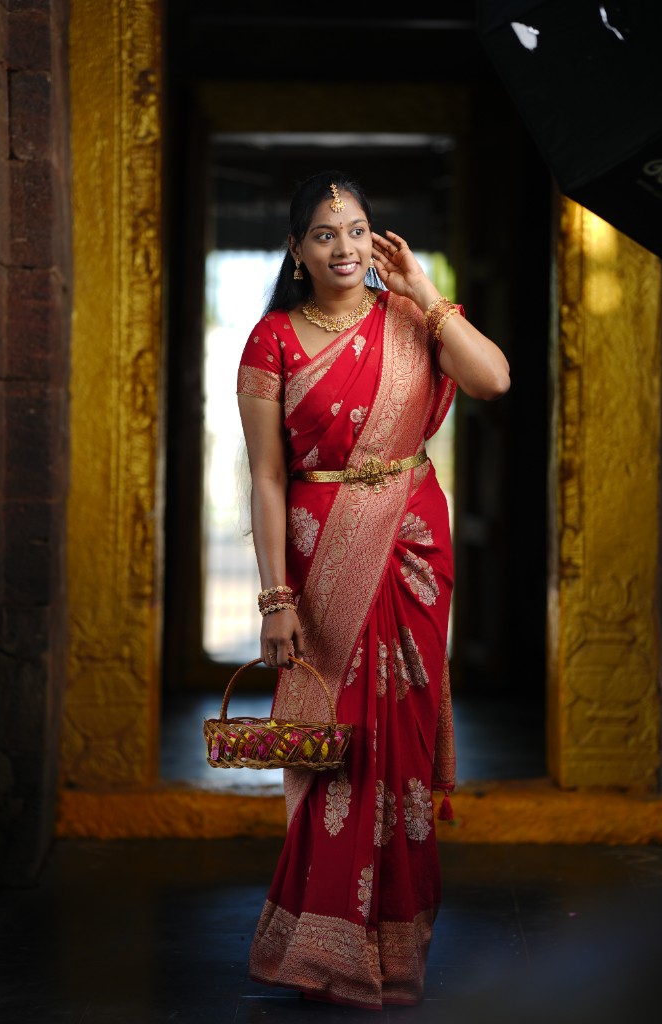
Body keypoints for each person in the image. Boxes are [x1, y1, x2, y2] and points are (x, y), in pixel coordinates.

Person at [235, 169, 510, 1009]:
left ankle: (396, 942)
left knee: (402, 736)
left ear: (375, 239)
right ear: (295, 251)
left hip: (411, 545)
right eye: (324, 234)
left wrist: (427, 295)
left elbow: (493, 379)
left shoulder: (408, 322)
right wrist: (276, 599)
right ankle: (323, 942)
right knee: (333, 746)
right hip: (320, 558)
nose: (344, 247)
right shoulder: (272, 340)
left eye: (356, 229)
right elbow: (268, 480)